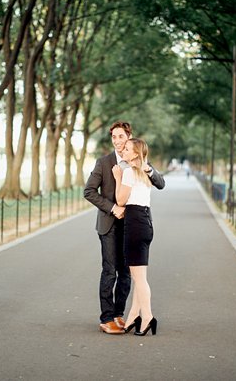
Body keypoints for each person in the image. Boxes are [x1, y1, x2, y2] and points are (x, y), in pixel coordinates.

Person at [84, 122, 165, 334]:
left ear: (129, 137)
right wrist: (112, 208)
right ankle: (107, 317)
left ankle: (120, 315)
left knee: (127, 274)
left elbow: (160, 182)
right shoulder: (103, 162)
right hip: (110, 225)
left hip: (132, 226)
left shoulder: (137, 160)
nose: (117, 141)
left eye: (121, 137)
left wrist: (147, 167)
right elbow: (89, 191)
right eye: (114, 137)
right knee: (109, 271)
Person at [112, 138, 159, 336]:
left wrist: (117, 178)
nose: (123, 150)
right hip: (146, 222)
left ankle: (147, 317)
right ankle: (133, 316)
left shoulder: (130, 172)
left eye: (128, 148)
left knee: (139, 279)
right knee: (140, 276)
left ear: (136, 153)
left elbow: (120, 200)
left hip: (135, 224)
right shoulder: (144, 172)